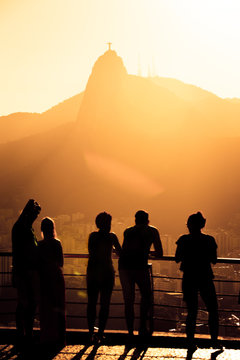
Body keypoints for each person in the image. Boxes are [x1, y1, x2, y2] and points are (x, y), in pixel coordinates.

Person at [175, 212, 219, 351]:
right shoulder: (209, 240)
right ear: (202, 225)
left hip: (189, 278)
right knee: (213, 309)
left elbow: (177, 258)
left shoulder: (183, 240)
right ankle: (214, 341)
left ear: (188, 225)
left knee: (191, 311)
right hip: (205, 277)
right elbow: (214, 260)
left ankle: (190, 343)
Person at [118, 210, 163, 337]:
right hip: (140, 267)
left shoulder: (128, 231)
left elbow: (125, 250)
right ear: (147, 220)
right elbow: (159, 252)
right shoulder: (152, 231)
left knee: (128, 300)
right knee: (146, 296)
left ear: (135, 220)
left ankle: (130, 331)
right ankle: (143, 327)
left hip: (124, 267)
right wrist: (147, 253)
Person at [87, 212, 122, 342]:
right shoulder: (112, 237)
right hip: (107, 273)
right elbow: (120, 252)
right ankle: (100, 333)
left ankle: (91, 333)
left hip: (93, 273)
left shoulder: (93, 236)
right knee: (105, 304)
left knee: (91, 303)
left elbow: (92, 252)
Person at [12, 199, 41, 347]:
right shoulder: (23, 228)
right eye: (35, 213)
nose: (36, 216)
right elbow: (29, 249)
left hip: (22, 270)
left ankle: (23, 333)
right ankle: (25, 334)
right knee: (27, 303)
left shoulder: (21, 227)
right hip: (25, 271)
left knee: (25, 303)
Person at [38, 217, 66, 349]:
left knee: (45, 309)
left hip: (43, 279)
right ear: (53, 228)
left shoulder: (39, 245)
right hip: (56, 277)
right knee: (59, 307)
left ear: (42, 229)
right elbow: (61, 262)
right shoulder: (57, 243)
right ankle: (60, 338)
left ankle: (46, 337)